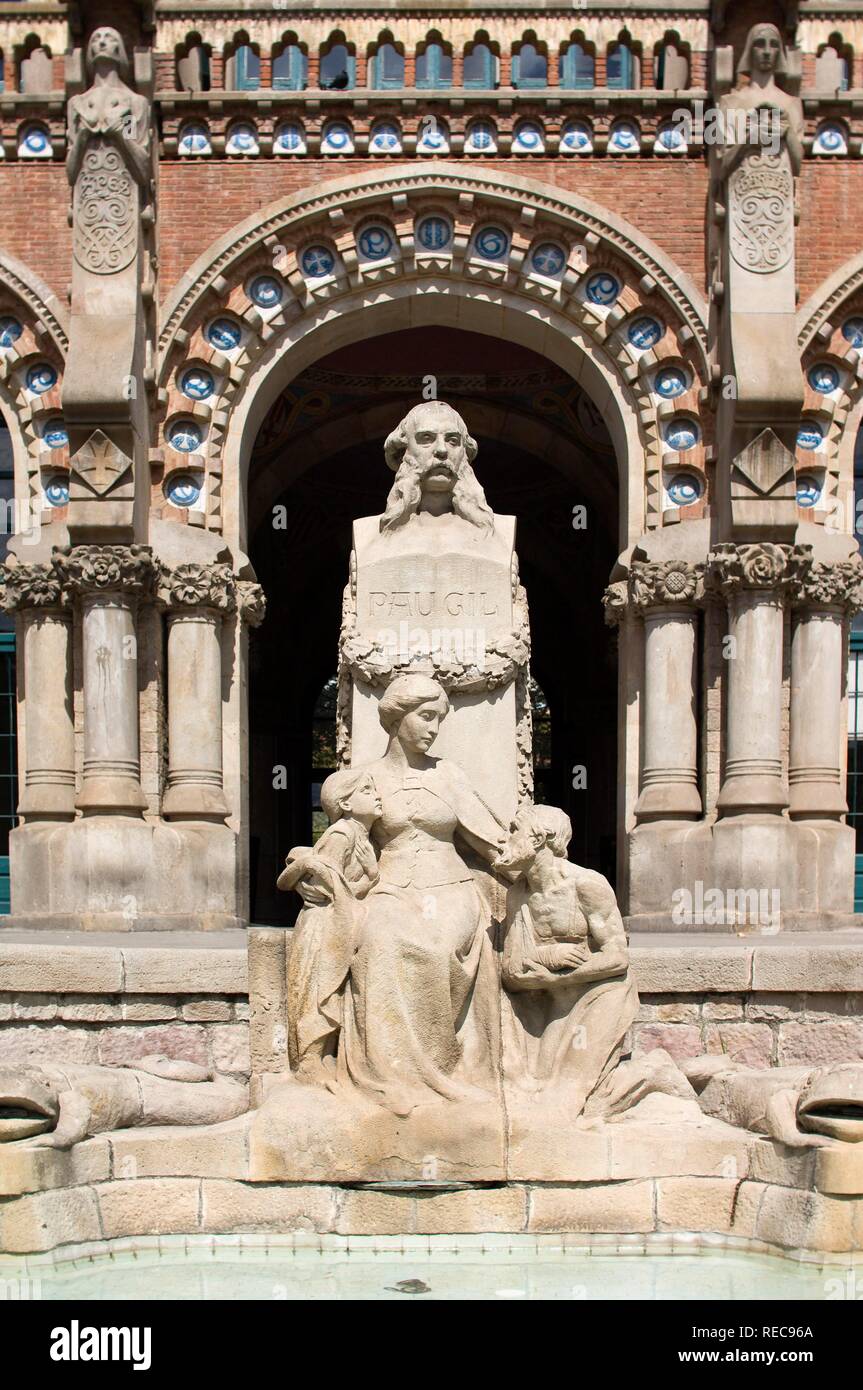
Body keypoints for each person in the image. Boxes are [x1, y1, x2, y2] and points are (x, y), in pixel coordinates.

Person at [497, 803, 639, 1110]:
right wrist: (550, 954)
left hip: (599, 993)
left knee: (565, 1096)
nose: (503, 839)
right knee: (539, 1086)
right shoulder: (517, 895)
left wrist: (556, 974)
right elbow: (512, 970)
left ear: (538, 839)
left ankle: (652, 1075)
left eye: (513, 831)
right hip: (554, 1001)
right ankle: (648, 1074)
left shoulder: (586, 884)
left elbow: (617, 957)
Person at [277, 768, 381, 1083]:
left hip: (338, 922)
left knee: (330, 990)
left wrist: (372, 873)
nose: (377, 795)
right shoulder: (342, 833)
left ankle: (321, 1060)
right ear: (345, 803)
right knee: (316, 989)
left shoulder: (362, 837)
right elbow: (322, 887)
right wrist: (306, 864)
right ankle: (309, 1062)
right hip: (322, 924)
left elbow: (353, 887)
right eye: (366, 790)